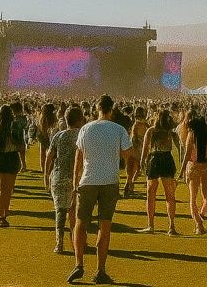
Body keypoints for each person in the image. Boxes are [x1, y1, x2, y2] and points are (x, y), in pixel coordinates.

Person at [68, 93, 132, 285]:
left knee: (80, 224)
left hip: (87, 180)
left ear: (97, 109)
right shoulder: (119, 129)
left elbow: (78, 157)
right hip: (110, 181)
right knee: (105, 226)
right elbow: (129, 157)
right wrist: (130, 179)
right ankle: (100, 270)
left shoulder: (86, 129)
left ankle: (78, 263)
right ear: (112, 110)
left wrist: (74, 180)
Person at [45, 105, 85, 254]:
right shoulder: (82, 134)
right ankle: (76, 241)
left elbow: (49, 157)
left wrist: (46, 175)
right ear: (80, 119)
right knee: (75, 211)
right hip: (78, 177)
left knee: (60, 211)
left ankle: (59, 242)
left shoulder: (58, 135)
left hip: (59, 175)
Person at [140, 109, 178, 235]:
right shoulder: (169, 132)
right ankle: (171, 226)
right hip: (167, 159)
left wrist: (142, 162)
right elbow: (179, 147)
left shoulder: (151, 130)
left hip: (154, 159)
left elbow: (145, 148)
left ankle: (151, 224)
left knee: (151, 194)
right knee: (169, 195)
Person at [0, 104, 26, 227]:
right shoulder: (14, 127)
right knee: (9, 189)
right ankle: (5, 211)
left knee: (1, 189)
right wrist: (23, 161)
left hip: (0, 159)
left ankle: (1, 215)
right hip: (12, 157)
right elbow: (20, 144)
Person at [178, 107, 207, 233]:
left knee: (193, 198)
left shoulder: (191, 134)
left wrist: (182, 170)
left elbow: (187, 154)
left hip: (193, 167)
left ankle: (198, 223)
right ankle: (201, 215)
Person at [125, 106, 148, 197]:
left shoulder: (137, 125)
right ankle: (129, 186)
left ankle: (129, 186)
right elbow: (135, 139)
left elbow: (133, 138)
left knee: (133, 170)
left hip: (135, 150)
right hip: (138, 150)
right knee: (135, 169)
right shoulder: (141, 126)